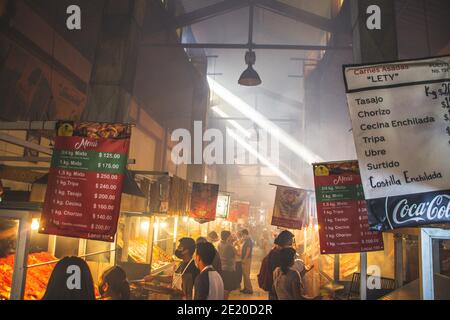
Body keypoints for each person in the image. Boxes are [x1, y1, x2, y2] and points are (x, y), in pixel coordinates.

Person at [258, 230, 295, 300]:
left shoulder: (275, 251)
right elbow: (280, 273)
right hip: (276, 289)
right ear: (286, 241)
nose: (292, 243)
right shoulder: (278, 254)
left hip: (275, 289)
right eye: (291, 240)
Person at [217, 230, 237, 299]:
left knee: (223, 286)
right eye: (230, 236)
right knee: (227, 288)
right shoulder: (229, 245)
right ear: (228, 237)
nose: (231, 237)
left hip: (221, 267)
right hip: (228, 268)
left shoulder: (219, 244)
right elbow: (236, 253)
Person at [240, 229, 254, 294]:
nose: (242, 236)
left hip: (247, 259)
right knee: (244, 274)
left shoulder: (248, 241)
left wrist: (245, 259)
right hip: (245, 259)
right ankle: (245, 288)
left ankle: (249, 289)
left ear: (245, 234)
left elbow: (248, 250)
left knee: (246, 274)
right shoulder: (246, 240)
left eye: (243, 235)